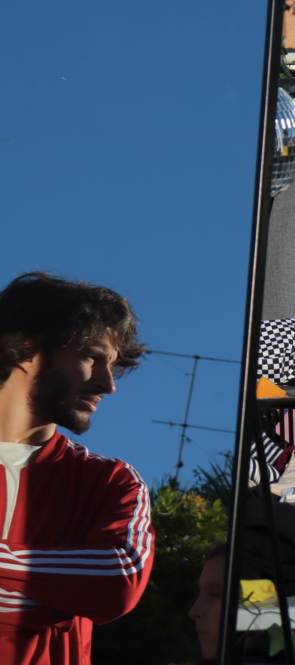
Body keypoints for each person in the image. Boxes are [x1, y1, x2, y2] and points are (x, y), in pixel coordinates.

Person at [0, 271, 153, 665]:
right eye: (92, 358)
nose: (108, 384)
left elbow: (119, 581)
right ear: (26, 347)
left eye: (112, 365)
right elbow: (92, 587)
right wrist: (58, 600)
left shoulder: (111, 482)